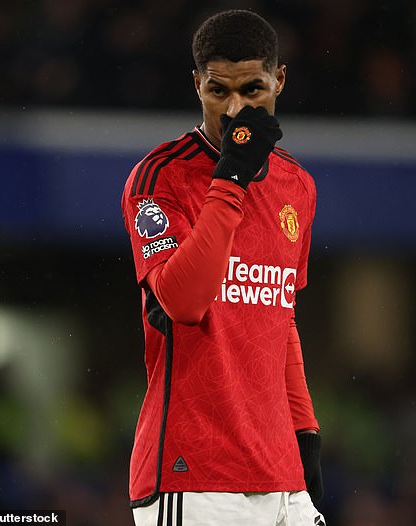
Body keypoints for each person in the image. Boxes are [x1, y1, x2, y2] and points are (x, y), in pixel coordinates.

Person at [121, 9, 325, 526]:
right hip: (192, 478)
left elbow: (281, 321)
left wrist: (305, 435)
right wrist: (230, 181)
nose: (236, 110)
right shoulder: (158, 179)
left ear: (279, 80)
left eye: (253, 90)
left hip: (280, 475)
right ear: (197, 85)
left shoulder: (297, 186)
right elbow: (184, 304)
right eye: (218, 92)